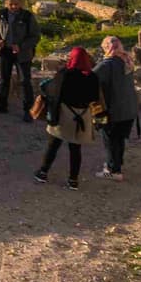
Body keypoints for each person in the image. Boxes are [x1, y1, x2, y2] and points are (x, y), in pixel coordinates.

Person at [35, 47, 101, 190]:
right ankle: (73, 180)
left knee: (53, 145)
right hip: (82, 116)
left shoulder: (65, 74)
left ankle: (43, 173)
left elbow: (53, 90)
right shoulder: (92, 77)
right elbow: (95, 97)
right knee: (75, 149)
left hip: (64, 114)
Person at [94, 36, 139, 179]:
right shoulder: (127, 61)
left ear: (108, 48)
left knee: (110, 139)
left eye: (104, 47)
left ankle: (113, 171)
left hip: (112, 111)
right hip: (129, 110)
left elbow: (90, 79)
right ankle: (117, 164)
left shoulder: (107, 65)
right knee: (119, 139)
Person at [0, 0, 40, 117]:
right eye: (11, 4)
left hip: (22, 53)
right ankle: (1, 106)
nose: (14, 7)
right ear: (6, 4)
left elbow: (35, 36)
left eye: (16, 4)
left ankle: (28, 110)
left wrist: (21, 46)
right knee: (3, 79)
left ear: (20, 3)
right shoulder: (0, 14)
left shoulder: (27, 16)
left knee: (25, 81)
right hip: (5, 51)